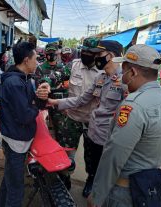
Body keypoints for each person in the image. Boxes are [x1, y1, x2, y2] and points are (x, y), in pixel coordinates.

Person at [88, 45, 161, 207]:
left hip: (126, 192)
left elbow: (114, 155)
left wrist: (97, 195)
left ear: (132, 72)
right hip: (153, 187)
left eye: (123, 71)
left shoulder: (132, 105)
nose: (122, 78)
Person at [48, 40, 126, 197]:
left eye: (98, 54)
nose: (95, 57)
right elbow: (80, 99)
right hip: (94, 132)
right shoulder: (101, 78)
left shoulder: (126, 81)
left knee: (105, 173)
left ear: (110, 56)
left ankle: (96, 189)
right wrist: (55, 102)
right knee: (91, 163)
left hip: (111, 137)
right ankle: (89, 185)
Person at [0, 41, 49, 207]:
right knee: (16, 189)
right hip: (15, 140)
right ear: (26, 60)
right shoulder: (14, 83)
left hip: (19, 137)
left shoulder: (26, 79)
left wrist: (40, 98)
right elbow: (25, 116)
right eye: (36, 58)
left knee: (10, 180)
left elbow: (31, 105)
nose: (37, 62)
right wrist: (36, 105)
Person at [54, 37, 102, 194]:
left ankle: (91, 179)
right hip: (72, 117)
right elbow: (58, 74)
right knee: (67, 152)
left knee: (91, 155)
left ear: (97, 54)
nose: (86, 54)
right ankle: (65, 177)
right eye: (84, 51)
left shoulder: (102, 73)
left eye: (90, 52)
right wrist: (47, 81)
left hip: (91, 122)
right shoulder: (73, 66)